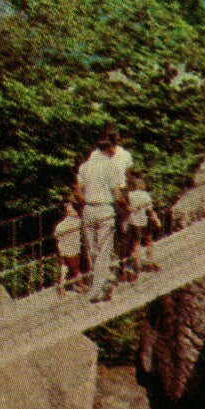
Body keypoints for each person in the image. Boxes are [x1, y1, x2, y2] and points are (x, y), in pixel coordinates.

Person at [76, 127, 128, 303]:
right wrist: (126, 207)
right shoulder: (111, 167)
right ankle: (98, 289)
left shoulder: (84, 167)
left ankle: (99, 283)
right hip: (105, 210)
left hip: (88, 210)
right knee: (104, 251)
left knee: (92, 251)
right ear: (109, 150)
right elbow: (117, 194)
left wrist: (88, 201)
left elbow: (77, 192)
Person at [126, 172, 162, 272]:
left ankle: (137, 264)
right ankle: (150, 261)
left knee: (136, 243)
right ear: (141, 185)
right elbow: (150, 211)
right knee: (149, 241)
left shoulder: (129, 196)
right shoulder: (145, 195)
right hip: (143, 221)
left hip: (132, 222)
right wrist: (157, 221)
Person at [53, 198, 85, 294]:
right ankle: (80, 285)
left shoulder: (60, 225)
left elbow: (56, 238)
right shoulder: (77, 222)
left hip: (63, 248)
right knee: (76, 268)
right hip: (72, 248)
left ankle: (61, 286)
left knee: (65, 267)